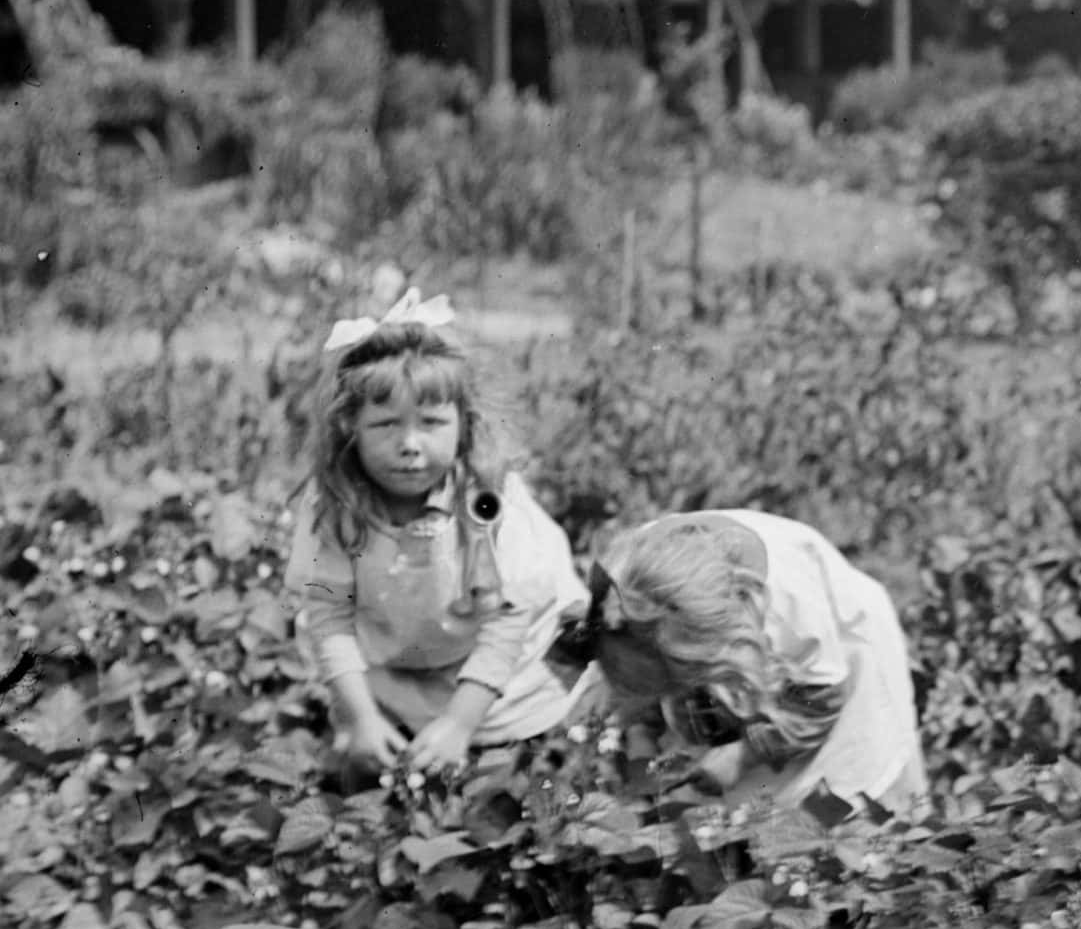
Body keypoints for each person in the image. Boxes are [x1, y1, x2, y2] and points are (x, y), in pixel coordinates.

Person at [284, 289, 587, 783]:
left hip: (497, 664)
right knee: (373, 768)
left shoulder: (485, 500)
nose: (409, 445)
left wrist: (458, 724)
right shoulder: (337, 503)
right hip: (399, 656)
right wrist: (361, 718)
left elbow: (507, 621)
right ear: (349, 425)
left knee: (503, 781)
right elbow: (329, 615)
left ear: (464, 424)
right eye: (384, 424)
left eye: (431, 423)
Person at [562, 509, 925, 821]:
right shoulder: (631, 588)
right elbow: (634, 666)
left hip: (839, 674)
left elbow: (823, 699)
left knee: (849, 803)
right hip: (725, 658)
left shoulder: (792, 610)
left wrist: (745, 755)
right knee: (735, 810)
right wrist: (640, 727)